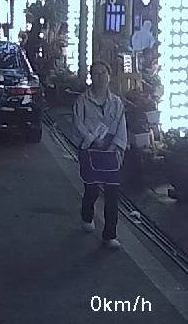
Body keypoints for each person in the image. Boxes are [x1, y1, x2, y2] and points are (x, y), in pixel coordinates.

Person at [74, 61, 129, 249]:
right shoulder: (82, 101)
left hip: (110, 152)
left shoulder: (116, 103)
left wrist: (115, 145)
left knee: (112, 194)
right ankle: (87, 215)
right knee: (92, 189)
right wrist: (91, 139)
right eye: (96, 74)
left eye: (103, 73)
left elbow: (121, 127)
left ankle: (109, 234)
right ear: (91, 77)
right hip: (90, 150)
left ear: (109, 76)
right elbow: (78, 124)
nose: (100, 77)